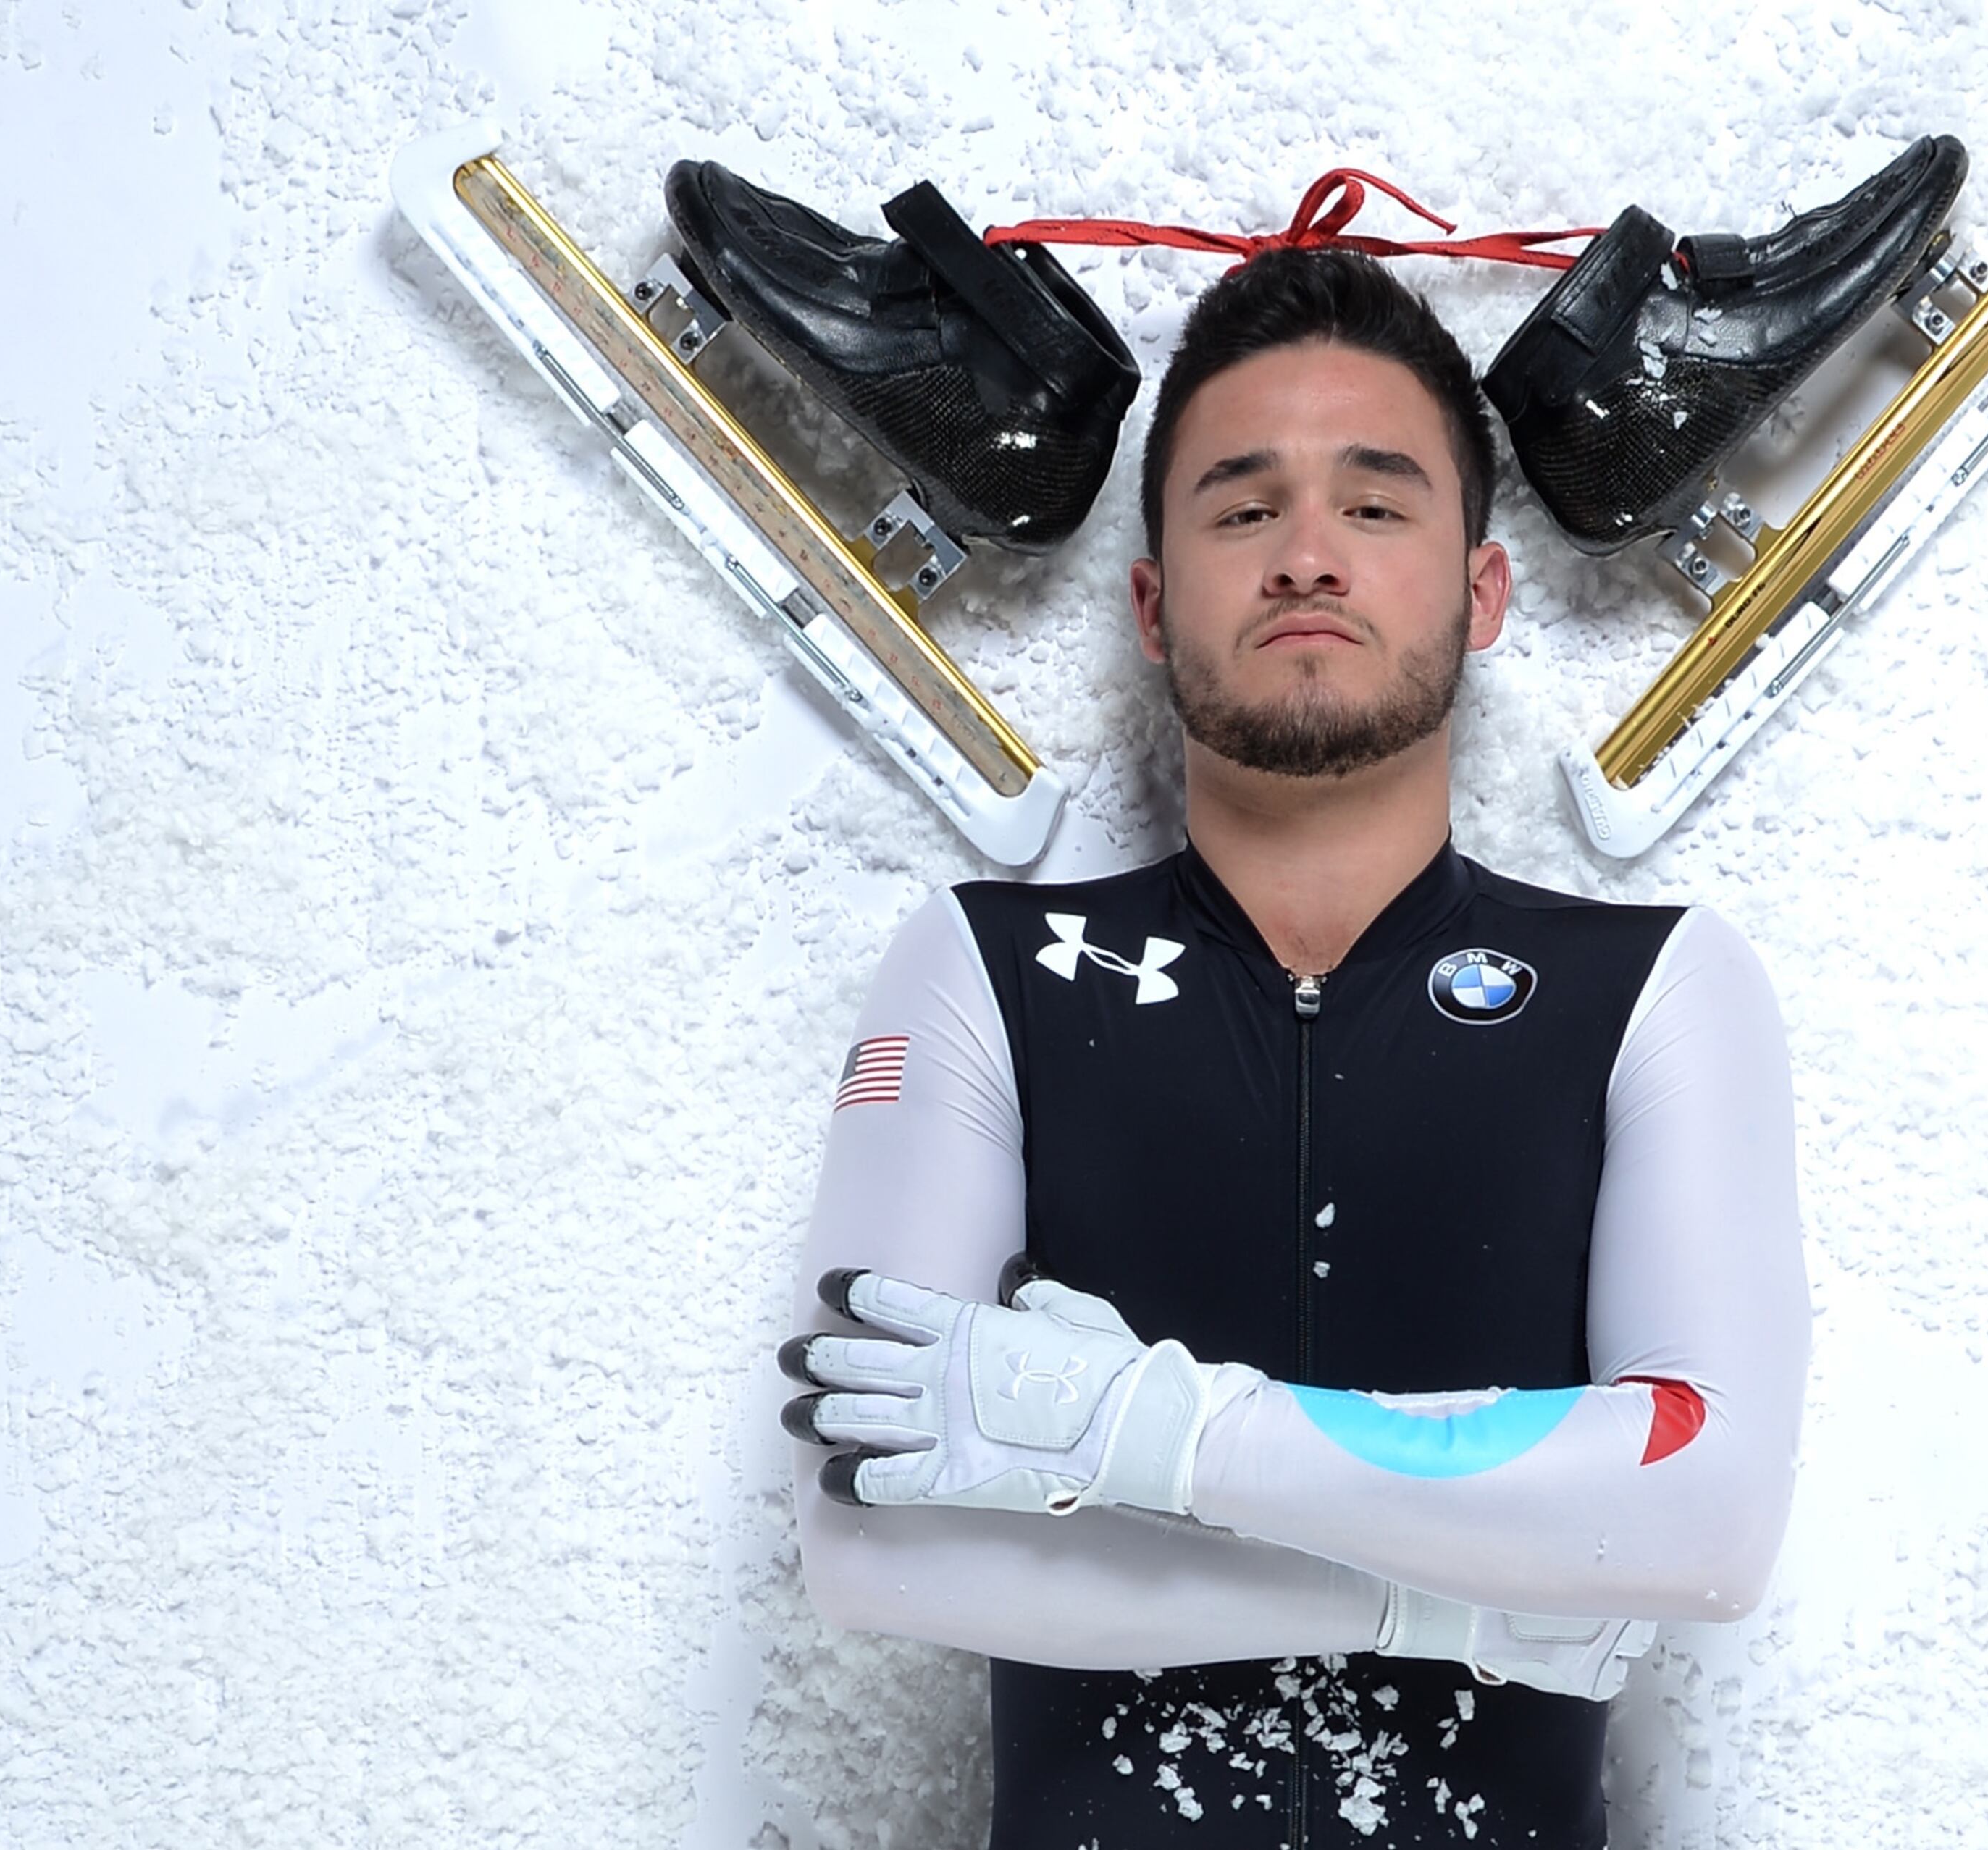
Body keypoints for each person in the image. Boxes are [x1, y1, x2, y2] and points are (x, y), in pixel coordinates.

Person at [774, 240, 1818, 1849]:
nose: (1307, 556)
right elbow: (875, 1541)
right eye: (1244, 509)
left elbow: (1705, 1523)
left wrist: (1161, 1435)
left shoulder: (1662, 987)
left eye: (1379, 503)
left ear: (1480, 594)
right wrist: (1453, 1606)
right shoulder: (982, 970)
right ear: (1151, 600)